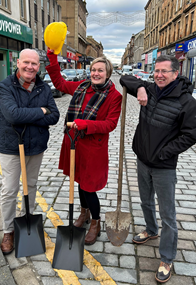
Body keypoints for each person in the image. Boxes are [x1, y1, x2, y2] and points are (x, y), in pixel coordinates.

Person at [120, 55, 196, 283]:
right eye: (156, 71)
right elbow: (124, 78)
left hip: (164, 166)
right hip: (142, 160)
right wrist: (142, 87)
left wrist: (165, 152)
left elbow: (191, 134)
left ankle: (167, 258)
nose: (159, 75)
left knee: (168, 214)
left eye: (164, 71)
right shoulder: (151, 89)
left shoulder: (186, 102)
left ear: (175, 73)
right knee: (144, 201)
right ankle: (151, 230)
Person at [46, 50, 122, 245]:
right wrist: (53, 59)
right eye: (93, 70)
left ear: (108, 73)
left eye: (100, 71)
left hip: (93, 149)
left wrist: (86, 125)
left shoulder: (114, 96)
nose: (96, 73)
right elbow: (60, 84)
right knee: (78, 181)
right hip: (74, 143)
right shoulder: (82, 87)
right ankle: (84, 213)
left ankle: (95, 222)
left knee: (89, 187)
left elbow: (110, 124)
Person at [0, 49, 60, 255]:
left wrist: (33, 114)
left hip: (35, 146)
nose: (30, 67)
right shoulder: (6, 85)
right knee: (9, 190)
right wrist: (41, 111)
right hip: (11, 147)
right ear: (18, 62)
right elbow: (13, 115)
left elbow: (55, 116)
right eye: (26, 62)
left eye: (34, 64)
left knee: (30, 185)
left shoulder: (43, 87)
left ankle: (26, 224)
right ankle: (8, 230)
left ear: (38, 66)